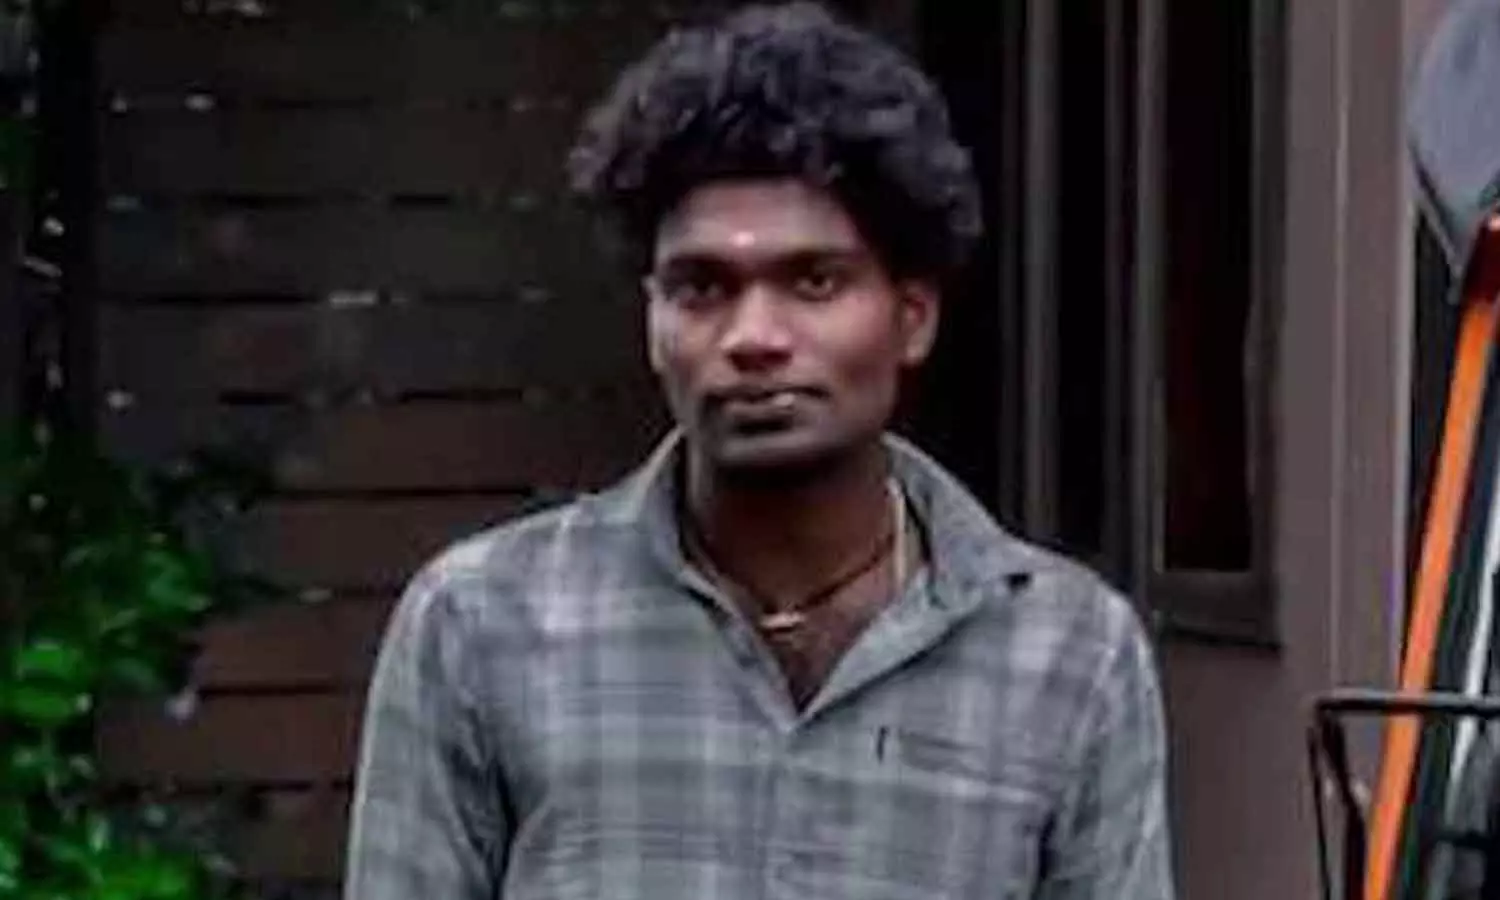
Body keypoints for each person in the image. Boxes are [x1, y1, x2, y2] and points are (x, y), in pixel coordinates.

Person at [342, 3, 1174, 898]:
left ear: (912, 316)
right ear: (652, 319)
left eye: (814, 281)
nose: (753, 337)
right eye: (702, 287)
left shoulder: (1066, 651)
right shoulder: (483, 625)